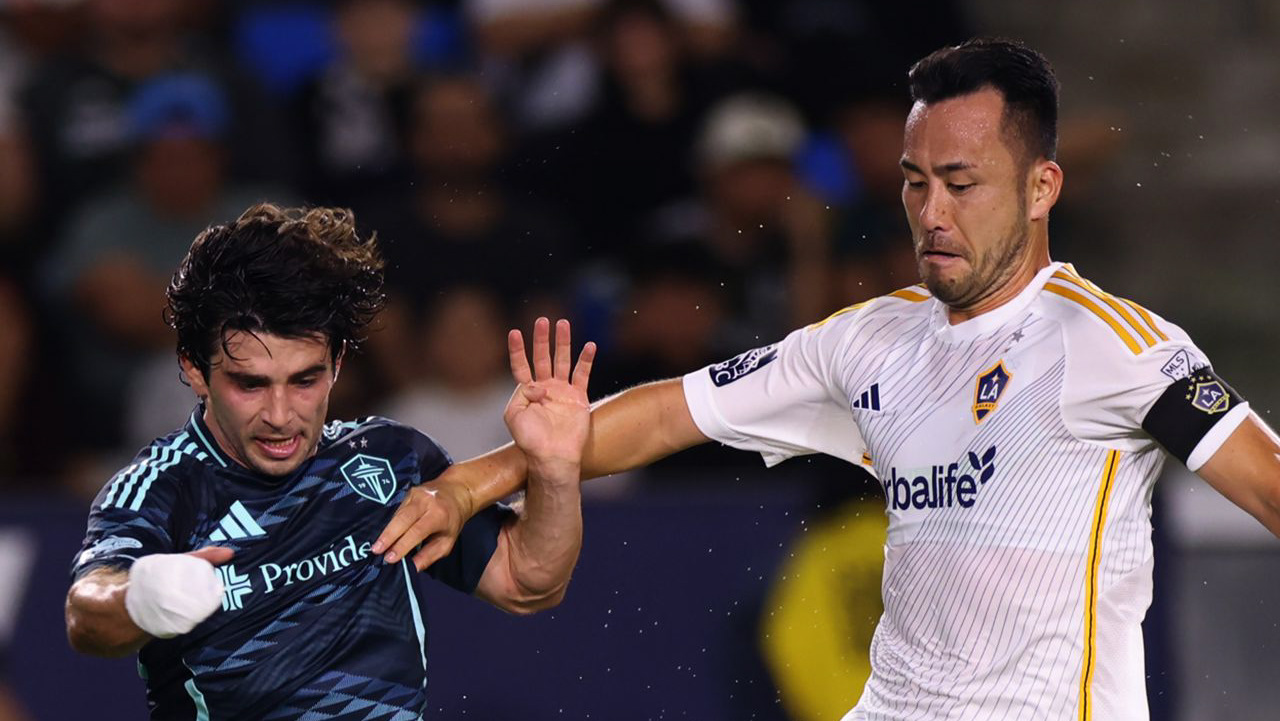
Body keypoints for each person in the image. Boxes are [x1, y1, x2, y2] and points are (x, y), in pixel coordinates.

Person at [371, 38, 1280, 719]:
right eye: (914, 181)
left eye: (962, 183)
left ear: (1042, 187)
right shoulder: (868, 340)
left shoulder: (1112, 344)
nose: (931, 212)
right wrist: (469, 483)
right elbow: (666, 415)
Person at [64, 203, 596, 719]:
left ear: (337, 361)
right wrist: (143, 596)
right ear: (195, 370)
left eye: (305, 380)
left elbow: (528, 581)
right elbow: (87, 612)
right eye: (250, 384)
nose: (280, 415)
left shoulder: (390, 460)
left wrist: (552, 473)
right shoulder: (160, 489)